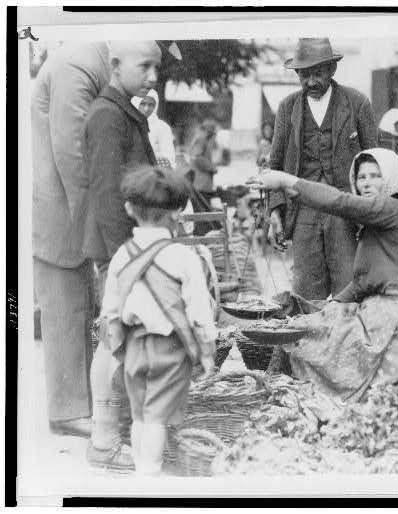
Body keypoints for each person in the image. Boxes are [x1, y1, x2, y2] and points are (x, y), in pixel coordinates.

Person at [249, 148, 398, 399]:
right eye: (362, 177)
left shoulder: (396, 208)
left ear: (391, 177)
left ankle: (321, 403)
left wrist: (285, 181)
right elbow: (362, 281)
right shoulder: (378, 221)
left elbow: (339, 202)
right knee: (305, 329)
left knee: (318, 347)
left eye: (375, 176)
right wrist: (329, 307)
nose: (367, 183)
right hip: (382, 311)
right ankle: (300, 399)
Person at [100, 166, 218, 475]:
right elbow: (200, 314)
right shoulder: (183, 257)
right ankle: (148, 480)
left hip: (133, 347)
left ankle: (141, 470)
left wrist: (116, 350)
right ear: (176, 214)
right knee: (156, 419)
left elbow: (110, 309)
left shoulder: (121, 256)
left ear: (129, 209)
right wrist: (207, 354)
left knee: (140, 415)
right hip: (170, 350)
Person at [82, 40, 162, 469]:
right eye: (145, 65)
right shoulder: (108, 115)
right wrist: (122, 257)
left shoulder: (124, 111)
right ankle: (104, 443)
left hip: (132, 247)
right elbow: (106, 192)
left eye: (157, 68)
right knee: (113, 343)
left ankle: (122, 431)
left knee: (128, 340)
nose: (153, 76)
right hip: (120, 249)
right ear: (115, 65)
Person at [31, 42, 111, 439]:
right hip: (59, 209)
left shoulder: (87, 58)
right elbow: (72, 152)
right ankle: (67, 410)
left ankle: (78, 404)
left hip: (67, 209)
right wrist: (92, 226)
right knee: (64, 308)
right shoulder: (79, 63)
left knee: (79, 307)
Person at [267, 37, 378, 301]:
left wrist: (371, 212)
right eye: (303, 75)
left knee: (349, 290)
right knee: (305, 295)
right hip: (303, 210)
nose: (310, 82)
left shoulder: (357, 103)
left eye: (317, 73)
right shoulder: (287, 107)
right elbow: (275, 164)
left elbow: (375, 160)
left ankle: (347, 340)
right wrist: (275, 212)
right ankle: (310, 339)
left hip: (345, 209)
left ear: (332, 70)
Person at [132, 89, 176, 169]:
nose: (146, 109)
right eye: (143, 104)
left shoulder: (162, 127)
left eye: (151, 105)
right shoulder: (130, 123)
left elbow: (169, 157)